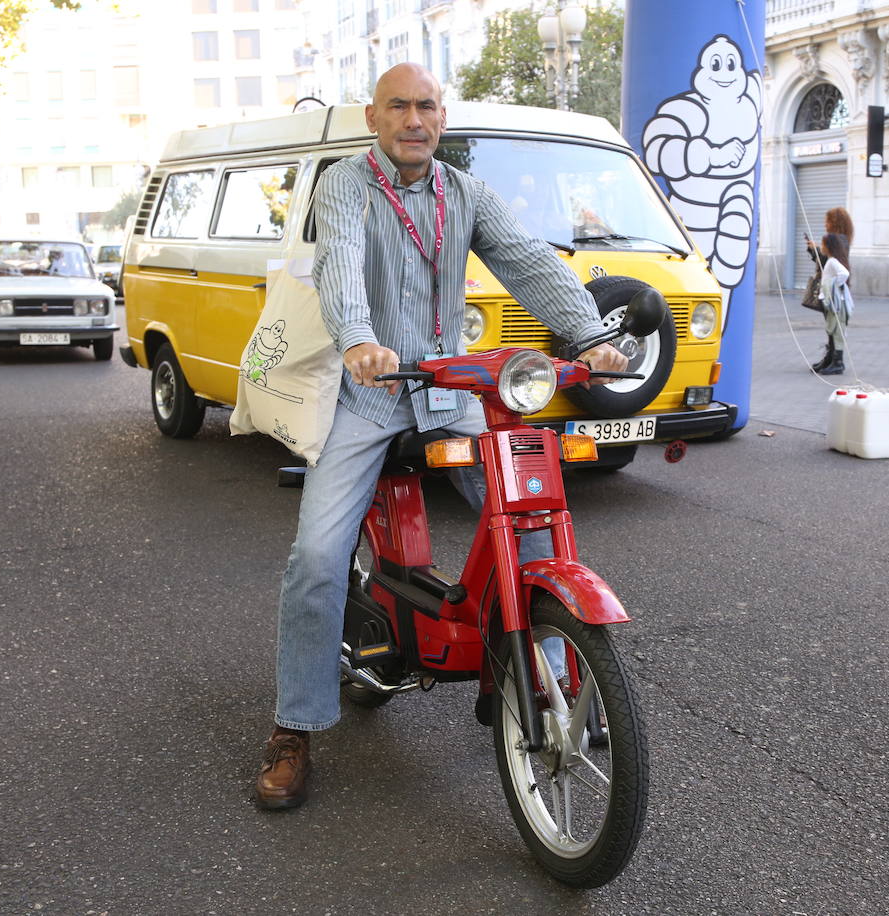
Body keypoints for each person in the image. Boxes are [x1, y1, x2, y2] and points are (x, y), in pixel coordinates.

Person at [254, 63, 628, 810]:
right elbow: (342, 272)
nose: (414, 119)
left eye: (426, 106)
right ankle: (295, 726)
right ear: (374, 116)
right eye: (399, 106)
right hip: (372, 395)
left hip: (455, 392)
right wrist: (359, 339)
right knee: (319, 556)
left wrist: (589, 335)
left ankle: (540, 682)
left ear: (441, 116)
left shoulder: (466, 193)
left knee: (531, 519)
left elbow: (525, 259)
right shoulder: (345, 186)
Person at [804, 206, 854, 371]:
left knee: (835, 325)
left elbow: (830, 262)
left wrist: (817, 249)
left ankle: (837, 361)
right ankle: (830, 358)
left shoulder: (838, 240)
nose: (825, 224)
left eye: (827, 221)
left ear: (834, 222)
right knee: (831, 325)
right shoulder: (842, 239)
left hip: (834, 293)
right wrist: (815, 250)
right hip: (831, 292)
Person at [815, 233, 853, 376]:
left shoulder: (832, 261)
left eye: (823, 244)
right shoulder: (832, 260)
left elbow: (844, 273)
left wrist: (833, 287)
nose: (821, 246)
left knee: (836, 331)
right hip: (830, 302)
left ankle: (838, 363)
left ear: (829, 246)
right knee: (832, 330)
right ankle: (831, 360)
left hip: (835, 304)